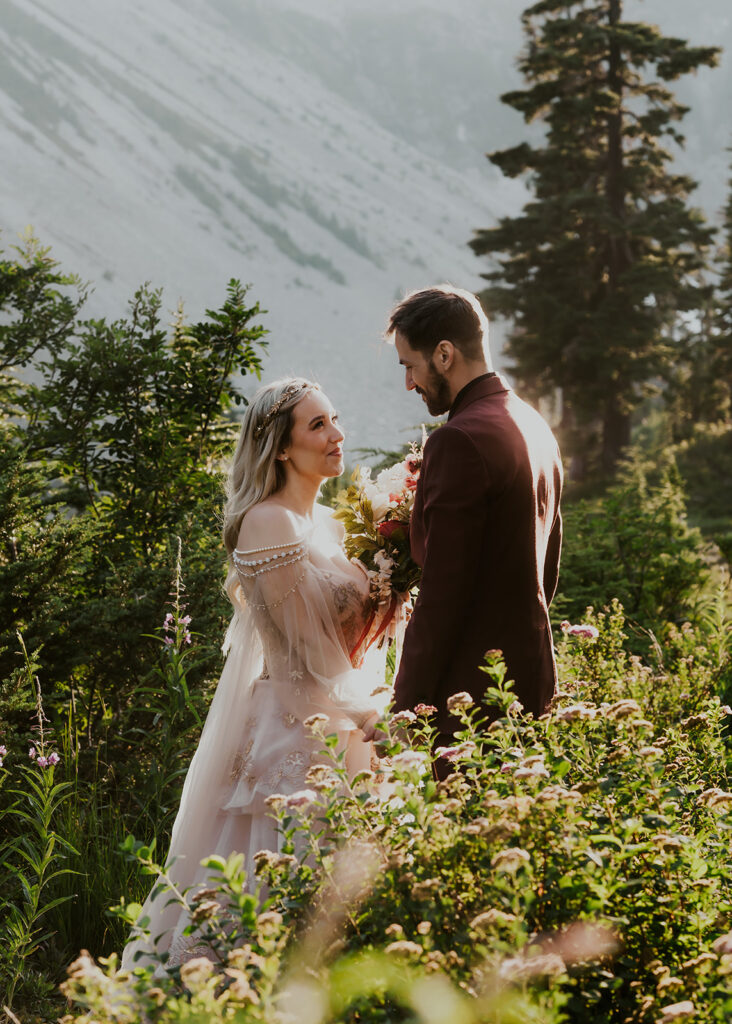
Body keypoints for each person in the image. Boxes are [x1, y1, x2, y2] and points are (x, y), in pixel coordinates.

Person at [122, 377, 387, 969]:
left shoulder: (330, 525)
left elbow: (348, 634)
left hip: (343, 726)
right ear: (282, 448)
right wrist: (372, 712)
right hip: (294, 734)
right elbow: (308, 646)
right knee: (271, 897)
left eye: (335, 418)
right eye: (316, 425)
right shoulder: (266, 523)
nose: (336, 434)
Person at [367, 286, 562, 769]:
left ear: (445, 354)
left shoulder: (458, 441)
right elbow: (549, 563)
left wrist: (407, 706)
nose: (409, 383)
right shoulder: (535, 425)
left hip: (471, 700)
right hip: (532, 680)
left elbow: (443, 595)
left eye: (409, 366)